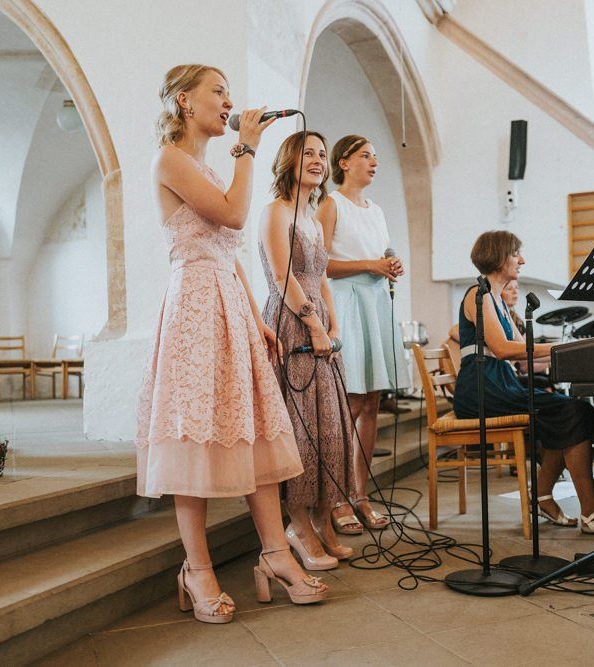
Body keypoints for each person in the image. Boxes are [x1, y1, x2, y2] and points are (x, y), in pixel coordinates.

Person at [136, 64, 326, 624]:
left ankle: (275, 554)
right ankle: (197, 570)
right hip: (195, 306)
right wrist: (247, 148)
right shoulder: (170, 159)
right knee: (194, 432)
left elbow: (228, 250)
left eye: (228, 93)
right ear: (184, 101)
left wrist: (252, 315)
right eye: (218, 92)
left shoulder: (208, 167)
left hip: (227, 302)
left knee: (252, 425)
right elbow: (235, 216)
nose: (228, 102)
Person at [452, 231, 594, 536]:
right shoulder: (478, 295)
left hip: (500, 382)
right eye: (515, 254)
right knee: (573, 411)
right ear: (498, 256)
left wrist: (580, 351)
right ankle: (589, 510)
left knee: (573, 412)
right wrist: (569, 347)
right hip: (481, 388)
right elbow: (504, 349)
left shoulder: (498, 301)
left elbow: (524, 357)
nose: (521, 260)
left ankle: (545, 498)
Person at [258, 130, 355, 570]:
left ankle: (322, 518)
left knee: (329, 425)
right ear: (289, 161)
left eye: (321, 154)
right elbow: (282, 277)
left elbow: (323, 277)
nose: (317, 160)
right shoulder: (274, 212)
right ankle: (297, 523)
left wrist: (333, 322)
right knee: (300, 429)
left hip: (320, 325)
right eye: (308, 153)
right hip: (291, 323)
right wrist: (314, 324)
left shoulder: (313, 218)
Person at [317, 135, 407, 534]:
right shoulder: (331, 204)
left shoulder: (377, 210)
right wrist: (370, 264)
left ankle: (361, 494)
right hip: (347, 304)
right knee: (349, 403)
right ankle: (337, 498)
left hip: (376, 303)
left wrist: (392, 263)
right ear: (344, 162)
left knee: (372, 403)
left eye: (375, 157)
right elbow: (319, 264)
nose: (374, 162)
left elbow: (384, 252)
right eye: (366, 156)